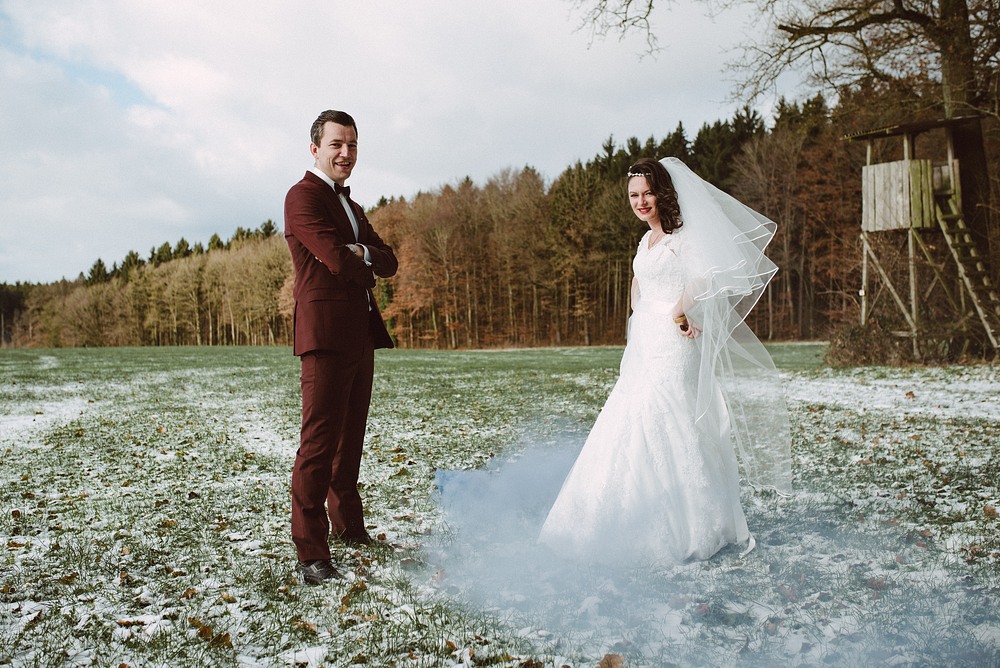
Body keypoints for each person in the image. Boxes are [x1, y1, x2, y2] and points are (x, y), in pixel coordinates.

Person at [538, 157, 791, 565]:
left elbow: (706, 277)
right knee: (632, 416)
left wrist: (679, 311)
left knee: (668, 415)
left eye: (647, 193)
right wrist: (638, 317)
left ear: (663, 193)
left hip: (673, 342)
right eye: (634, 196)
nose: (640, 202)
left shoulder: (683, 236)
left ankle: (691, 523)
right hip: (645, 339)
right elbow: (641, 279)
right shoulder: (647, 240)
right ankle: (619, 513)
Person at [284, 109, 398, 584]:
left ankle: (349, 526)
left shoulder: (352, 207)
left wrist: (364, 253)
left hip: (360, 333)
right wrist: (356, 257)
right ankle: (311, 552)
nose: (345, 153)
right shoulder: (302, 197)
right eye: (336, 144)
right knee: (318, 443)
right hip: (325, 335)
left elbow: (387, 260)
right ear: (315, 149)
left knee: (350, 440)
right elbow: (333, 258)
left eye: (351, 145)